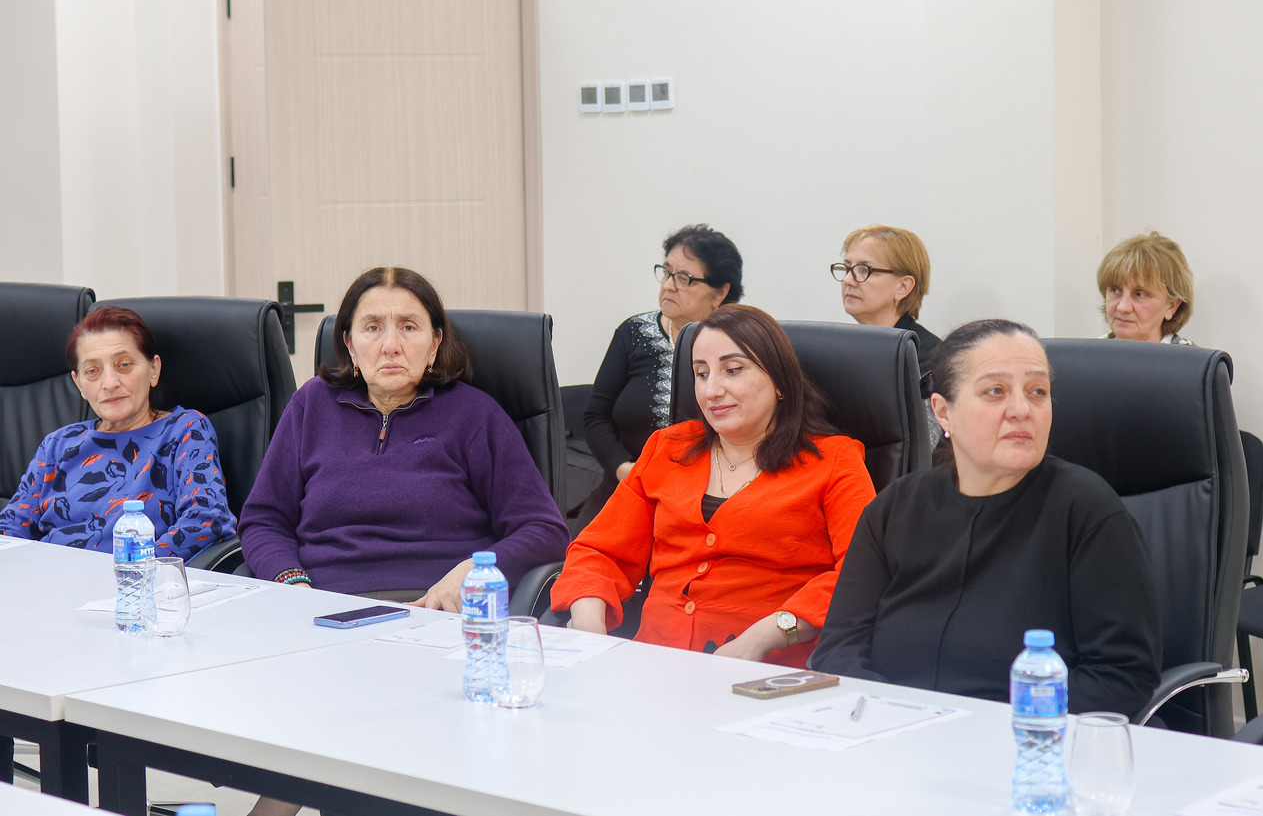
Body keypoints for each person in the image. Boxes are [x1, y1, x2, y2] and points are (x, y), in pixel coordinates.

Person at [810, 319, 1162, 717]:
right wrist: (893, 718)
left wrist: (986, 725)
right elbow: (838, 651)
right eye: (996, 391)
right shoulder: (896, 508)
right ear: (943, 412)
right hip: (889, 734)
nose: (1021, 410)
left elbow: (1122, 677)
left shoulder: (1087, 511)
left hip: (1025, 738)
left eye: (1038, 392)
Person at [552, 304, 877, 668]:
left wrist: (766, 634)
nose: (711, 390)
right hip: (653, 667)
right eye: (701, 373)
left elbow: (861, 573)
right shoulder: (668, 448)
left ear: (779, 381)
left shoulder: (834, 460)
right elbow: (600, 552)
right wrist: (589, 626)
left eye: (732, 370)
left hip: (765, 672)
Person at [237, 266, 569, 606]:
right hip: (321, 606)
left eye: (408, 327)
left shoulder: (474, 414)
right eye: (373, 328)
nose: (391, 346)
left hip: (436, 610)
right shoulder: (311, 404)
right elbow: (264, 520)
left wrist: (473, 572)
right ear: (350, 345)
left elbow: (544, 530)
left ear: (435, 343)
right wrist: (293, 586)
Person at [0, 305, 236, 560]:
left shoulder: (184, 431)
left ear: (153, 370)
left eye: (123, 365)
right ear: (79, 384)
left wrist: (128, 568)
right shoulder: (57, 444)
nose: (110, 383)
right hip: (49, 578)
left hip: (134, 579)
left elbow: (206, 520)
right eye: (92, 371)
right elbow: (10, 528)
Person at [577, 224, 743, 530]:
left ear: (720, 292)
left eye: (684, 278)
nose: (668, 286)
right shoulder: (634, 333)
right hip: (626, 486)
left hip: (708, 497)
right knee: (578, 555)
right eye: (666, 273)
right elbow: (595, 416)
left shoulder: (740, 345)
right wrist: (624, 470)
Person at [831, 224, 941, 384]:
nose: (848, 280)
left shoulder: (932, 360)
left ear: (903, 287)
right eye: (847, 268)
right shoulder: (839, 351)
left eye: (864, 270)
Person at [1097, 231, 1194, 344]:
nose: (1122, 307)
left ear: (1172, 307)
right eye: (1115, 290)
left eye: (1140, 294)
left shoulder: (1189, 355)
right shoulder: (1087, 352)